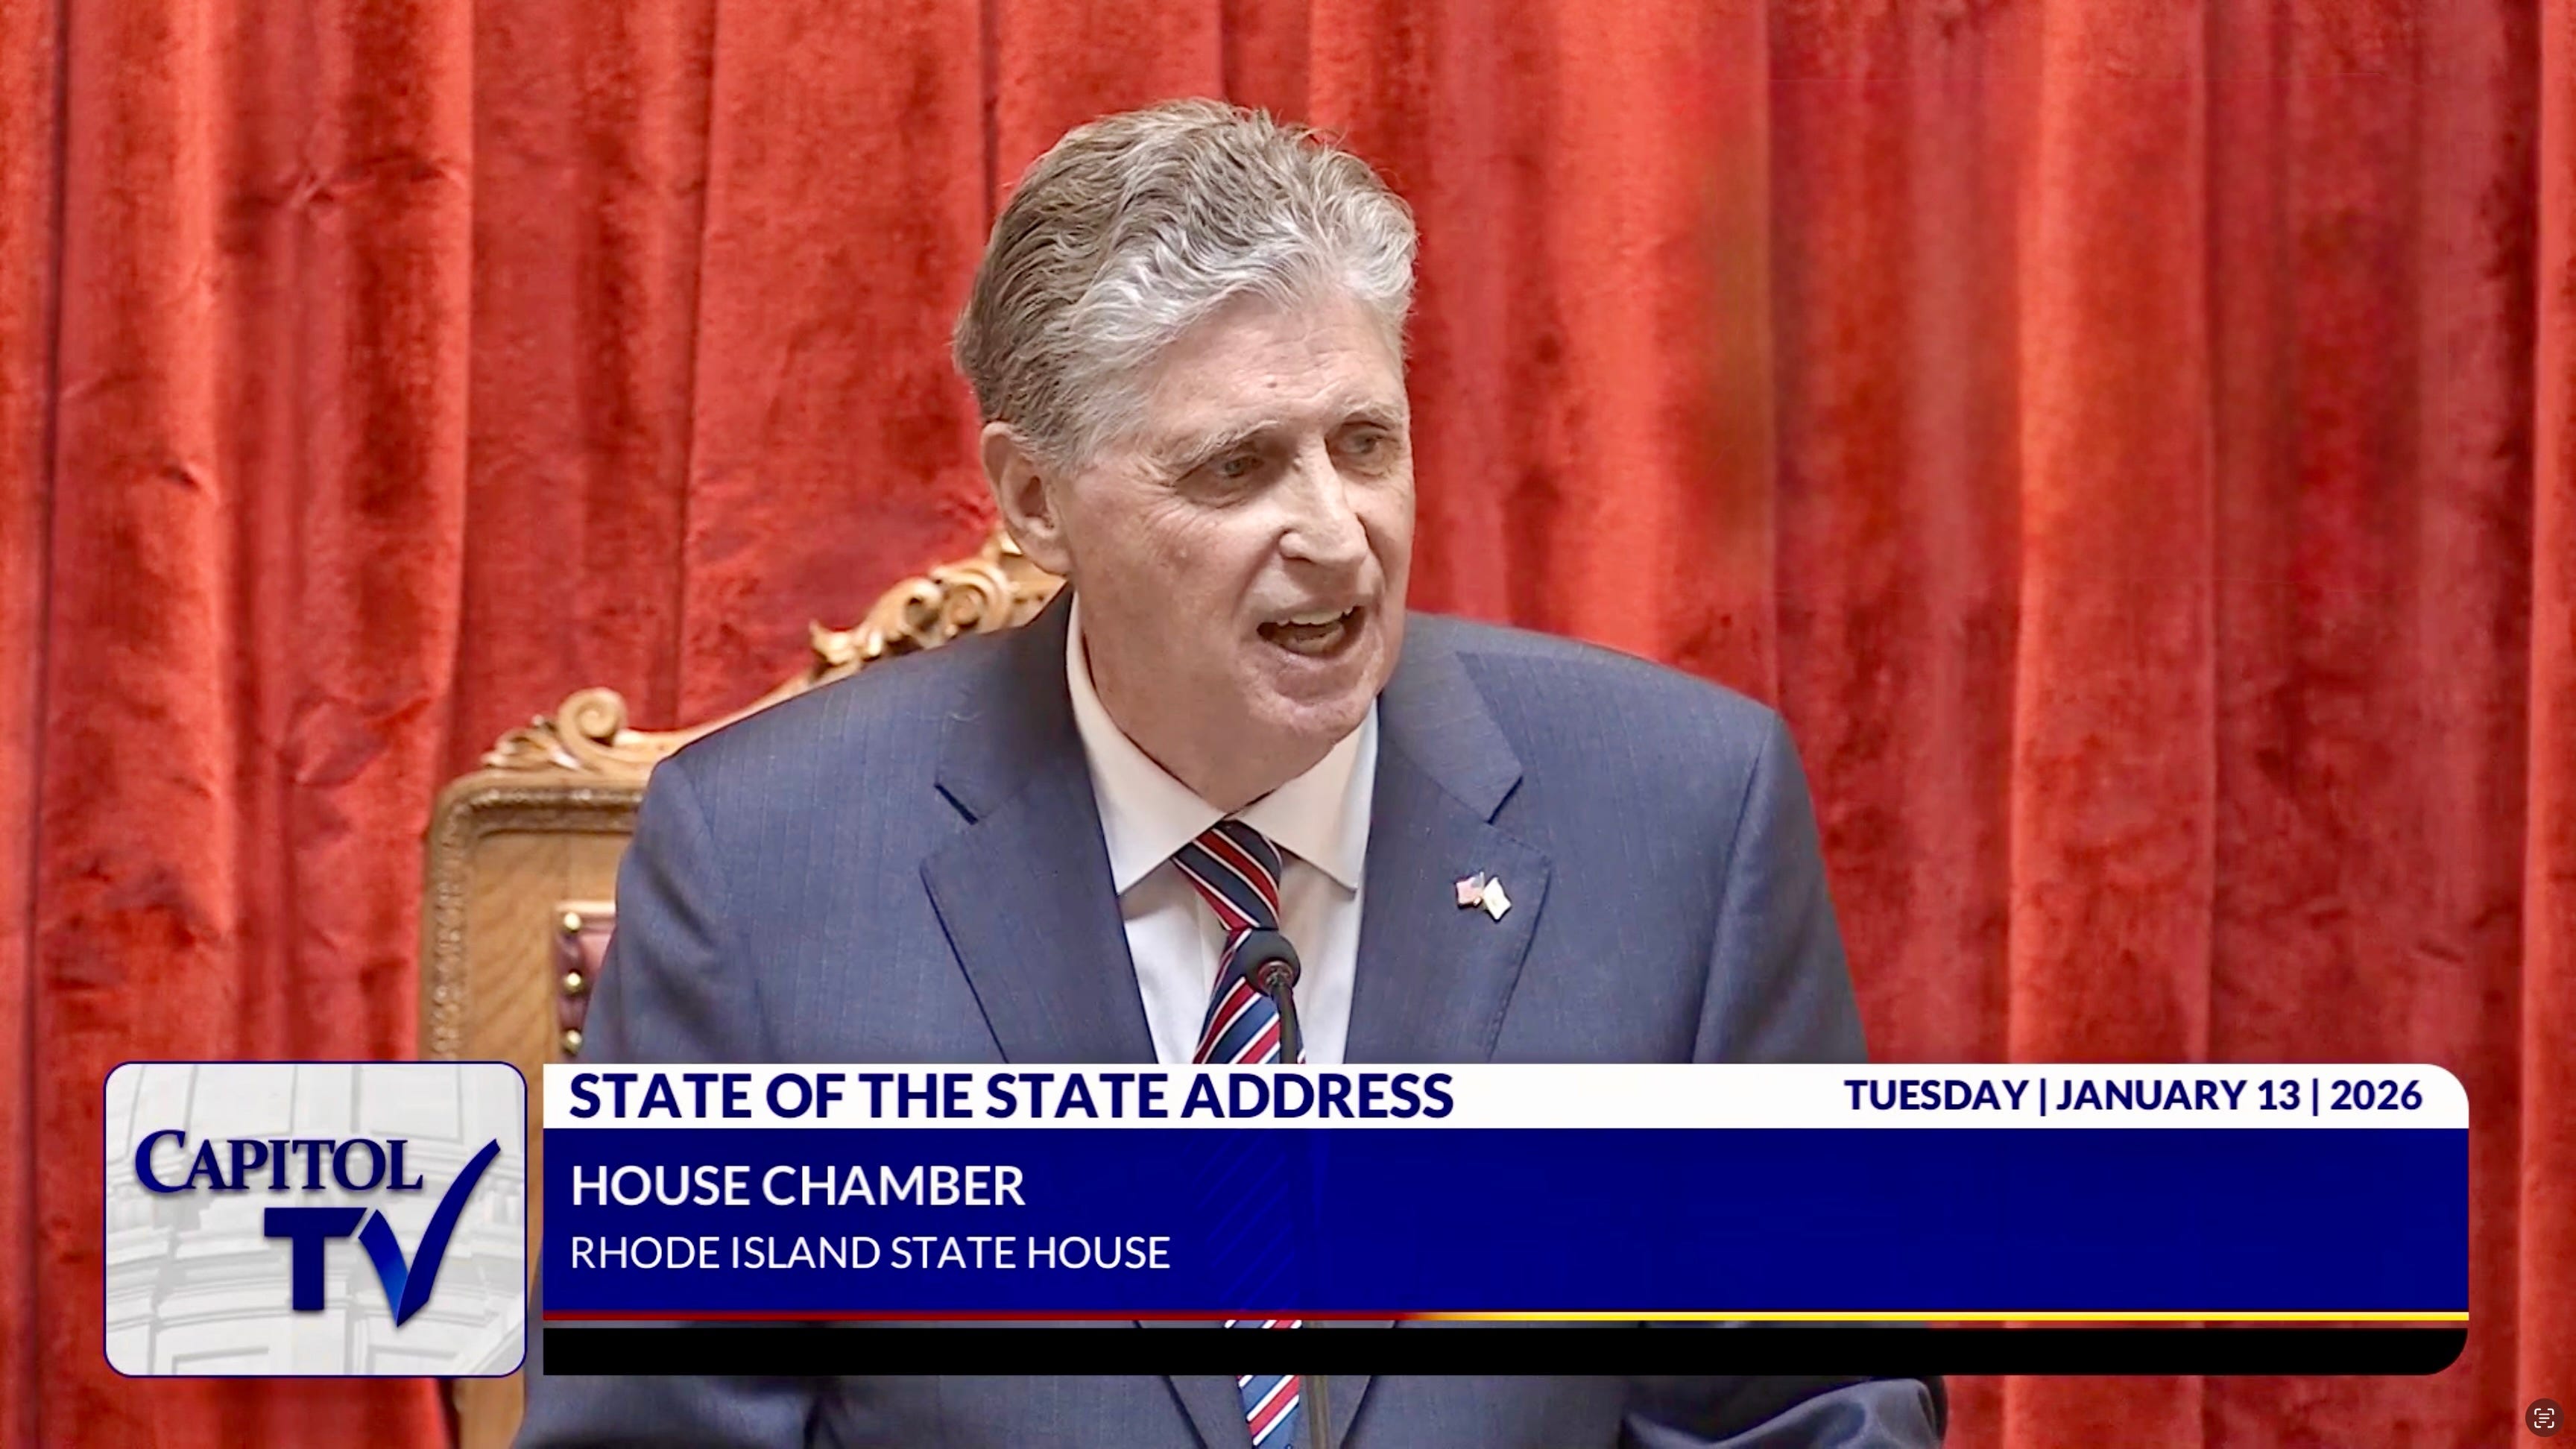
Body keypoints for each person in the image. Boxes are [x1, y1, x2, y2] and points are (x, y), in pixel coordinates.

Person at [517, 99, 1942, 1448]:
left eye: (1364, 445)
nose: (1336, 533)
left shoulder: (1684, 818)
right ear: (1035, 502)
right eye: (1237, 468)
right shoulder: (765, 875)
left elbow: (1808, 1403)